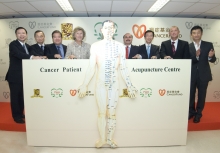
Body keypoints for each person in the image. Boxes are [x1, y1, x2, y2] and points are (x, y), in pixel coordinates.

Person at [78, 20, 137, 148]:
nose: (109, 30)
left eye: (111, 28)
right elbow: (91, 67)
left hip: (114, 83)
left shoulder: (120, 46)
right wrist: (84, 84)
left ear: (114, 30)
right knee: (101, 112)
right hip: (100, 83)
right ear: (102, 30)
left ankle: (110, 139)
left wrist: (129, 85)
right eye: (106, 28)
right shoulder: (95, 46)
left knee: (112, 113)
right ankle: (102, 139)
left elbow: (123, 67)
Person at [5, 27, 41, 124]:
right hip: (15, 76)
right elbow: (19, 54)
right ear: (16, 35)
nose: (22, 35)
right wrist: (32, 57)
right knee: (15, 97)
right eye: (19, 33)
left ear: (26, 34)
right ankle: (16, 116)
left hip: (24, 76)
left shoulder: (27, 46)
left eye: (23, 33)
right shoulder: (13, 44)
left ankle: (20, 113)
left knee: (22, 97)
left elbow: (35, 53)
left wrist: (43, 57)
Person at [188, 25, 216, 123]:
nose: (196, 35)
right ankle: (191, 112)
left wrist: (210, 57)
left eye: (198, 33)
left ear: (201, 33)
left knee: (201, 95)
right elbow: (187, 61)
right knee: (190, 95)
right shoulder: (188, 46)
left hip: (204, 74)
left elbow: (213, 60)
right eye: (194, 33)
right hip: (191, 75)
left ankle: (198, 114)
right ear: (191, 35)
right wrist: (195, 56)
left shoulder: (208, 45)